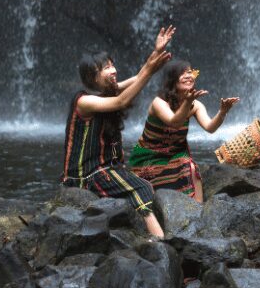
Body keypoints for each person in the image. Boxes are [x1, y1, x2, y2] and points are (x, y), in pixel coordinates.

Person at [60, 26, 175, 238]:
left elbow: (138, 78)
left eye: (112, 65)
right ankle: (160, 244)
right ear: (92, 77)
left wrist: (156, 53)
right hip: (85, 176)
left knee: (148, 182)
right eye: (105, 68)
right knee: (141, 188)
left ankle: (144, 235)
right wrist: (150, 68)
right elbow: (122, 100)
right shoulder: (84, 101)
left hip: (105, 169)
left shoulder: (105, 92)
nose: (113, 71)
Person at [128, 60, 240, 203]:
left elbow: (210, 128)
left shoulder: (195, 105)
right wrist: (187, 102)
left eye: (189, 72)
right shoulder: (159, 102)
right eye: (182, 73)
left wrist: (223, 112)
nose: (188, 75)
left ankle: (198, 207)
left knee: (190, 166)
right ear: (172, 80)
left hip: (175, 154)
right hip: (149, 156)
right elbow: (174, 122)